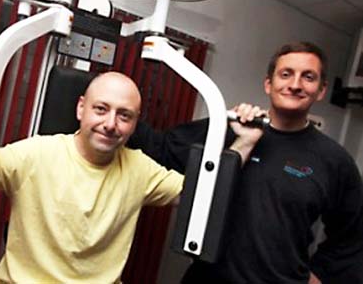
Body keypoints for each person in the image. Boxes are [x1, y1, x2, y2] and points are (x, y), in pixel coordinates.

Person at [0, 28, 262, 283]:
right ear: (81, 108)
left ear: (135, 123)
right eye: (101, 109)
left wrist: (243, 143)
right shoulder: (35, 155)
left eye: (124, 116)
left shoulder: (140, 170)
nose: (110, 124)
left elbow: (201, 197)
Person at [128, 41, 363, 283]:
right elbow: (161, 147)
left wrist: (321, 276)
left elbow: (352, 236)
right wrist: (103, 106)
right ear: (268, 84)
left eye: (308, 77)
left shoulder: (334, 161)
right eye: (286, 74)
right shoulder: (227, 130)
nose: (295, 84)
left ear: (321, 90)